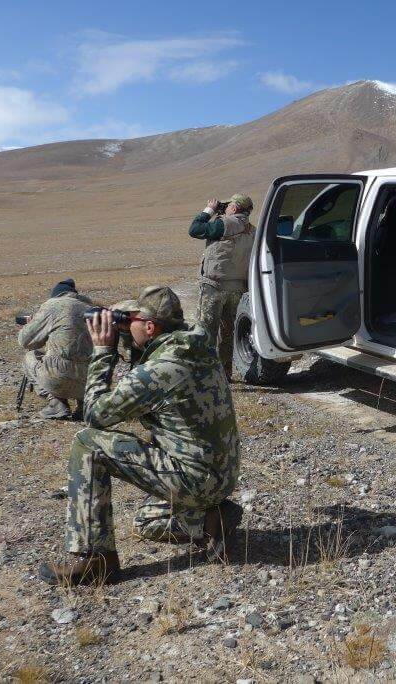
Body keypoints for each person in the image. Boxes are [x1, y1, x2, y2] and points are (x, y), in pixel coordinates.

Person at [38, 286, 243, 586]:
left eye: (128, 319)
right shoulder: (195, 347)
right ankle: (212, 519)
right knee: (146, 521)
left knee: (87, 444)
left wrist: (103, 352)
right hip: (222, 475)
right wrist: (132, 341)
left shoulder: (159, 369)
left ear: (149, 326)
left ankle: (93, 559)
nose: (123, 325)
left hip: (198, 478)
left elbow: (96, 415)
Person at [189, 193, 255, 378]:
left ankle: (203, 376)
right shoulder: (253, 231)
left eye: (229, 206)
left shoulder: (224, 224)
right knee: (227, 333)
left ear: (233, 208)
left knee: (205, 331)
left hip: (214, 286)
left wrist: (209, 210)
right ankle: (224, 375)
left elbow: (195, 229)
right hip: (237, 288)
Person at [18, 278, 93, 419]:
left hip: (58, 378)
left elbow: (25, 341)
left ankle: (56, 403)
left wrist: (31, 326)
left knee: (29, 357)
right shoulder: (90, 308)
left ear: (56, 295)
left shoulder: (52, 306)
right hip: (89, 382)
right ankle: (84, 406)